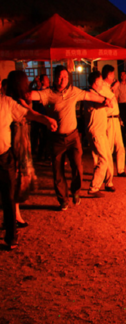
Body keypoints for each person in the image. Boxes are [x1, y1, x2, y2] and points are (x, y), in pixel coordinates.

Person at [31, 65, 113, 211]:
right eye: (60, 77)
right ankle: (63, 200)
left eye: (66, 77)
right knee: (58, 171)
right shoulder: (48, 93)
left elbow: (88, 95)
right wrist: (18, 92)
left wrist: (104, 99)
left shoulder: (73, 91)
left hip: (73, 137)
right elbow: (33, 96)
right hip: (56, 139)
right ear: (55, 78)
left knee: (77, 167)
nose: (63, 80)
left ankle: (75, 192)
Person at [1, 71, 57, 250]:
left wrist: (45, 119)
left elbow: (28, 113)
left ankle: (11, 237)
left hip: (4, 156)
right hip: (11, 150)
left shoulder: (5, 102)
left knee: (9, 197)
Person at [85, 71, 114, 197]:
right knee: (103, 159)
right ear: (96, 82)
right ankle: (94, 187)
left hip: (101, 131)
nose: (103, 82)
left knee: (108, 156)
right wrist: (107, 101)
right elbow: (102, 103)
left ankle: (108, 182)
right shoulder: (90, 95)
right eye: (101, 80)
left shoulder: (97, 93)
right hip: (96, 132)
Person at [102, 66, 126, 178]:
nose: (114, 77)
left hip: (116, 118)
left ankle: (120, 169)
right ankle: (106, 172)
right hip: (108, 119)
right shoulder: (103, 86)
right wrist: (114, 88)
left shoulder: (109, 86)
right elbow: (108, 97)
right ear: (108, 75)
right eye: (112, 74)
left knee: (120, 146)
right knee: (109, 148)